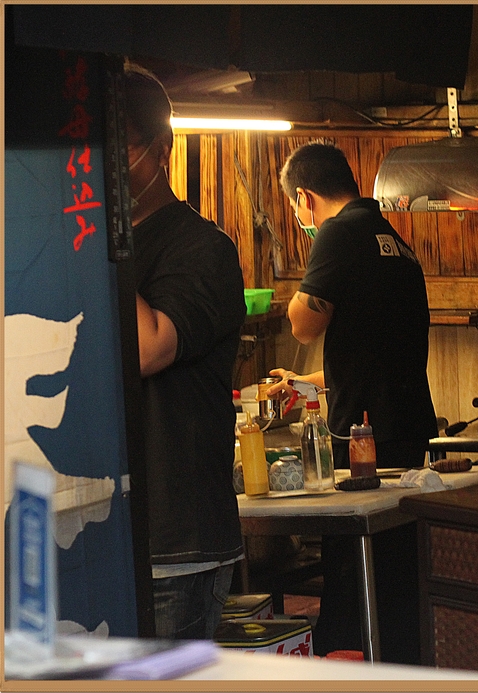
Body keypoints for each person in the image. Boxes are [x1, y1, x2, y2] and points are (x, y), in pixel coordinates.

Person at [267, 141, 436, 662]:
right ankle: (401, 667)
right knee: (395, 575)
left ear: (304, 197)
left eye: (296, 208)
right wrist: (303, 383)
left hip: (364, 441)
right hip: (405, 428)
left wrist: (298, 292)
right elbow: (373, 357)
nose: (301, 218)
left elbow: (303, 324)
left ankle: (348, 667)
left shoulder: (338, 233)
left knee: (351, 577)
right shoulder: (395, 243)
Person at [126, 64, 247, 639]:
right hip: (105, 534)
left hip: (175, 548)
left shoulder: (203, 248)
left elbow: (147, 347)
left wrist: (94, 231)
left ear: (160, 149)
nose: (104, 169)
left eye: (120, 151)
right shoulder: (91, 249)